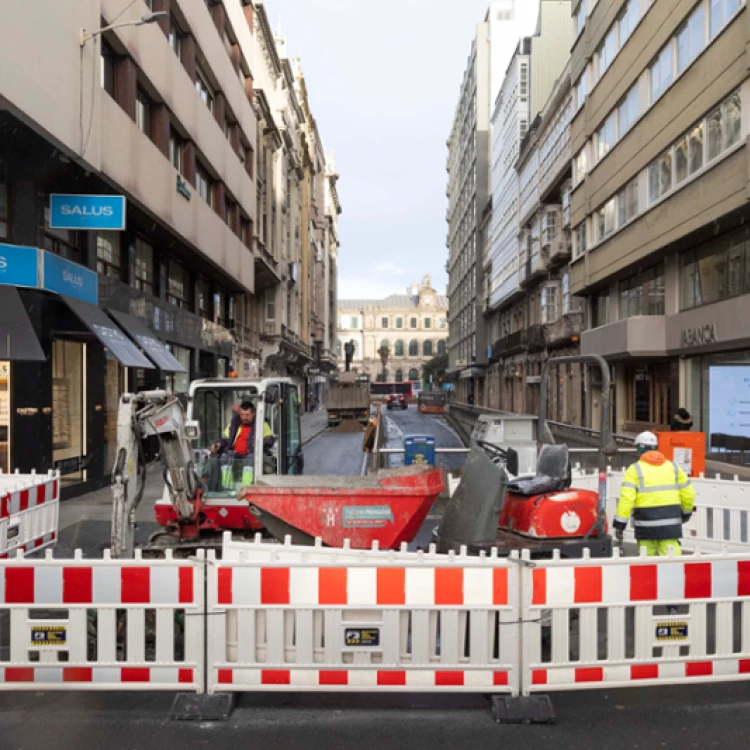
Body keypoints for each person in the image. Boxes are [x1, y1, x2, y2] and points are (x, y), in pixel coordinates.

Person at [613, 431, 696, 556]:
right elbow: (688, 494)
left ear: (639, 448)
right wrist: (686, 513)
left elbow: (626, 499)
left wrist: (620, 524)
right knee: (672, 563)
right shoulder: (674, 468)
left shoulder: (634, 470)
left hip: (645, 526)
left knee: (647, 565)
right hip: (670, 525)